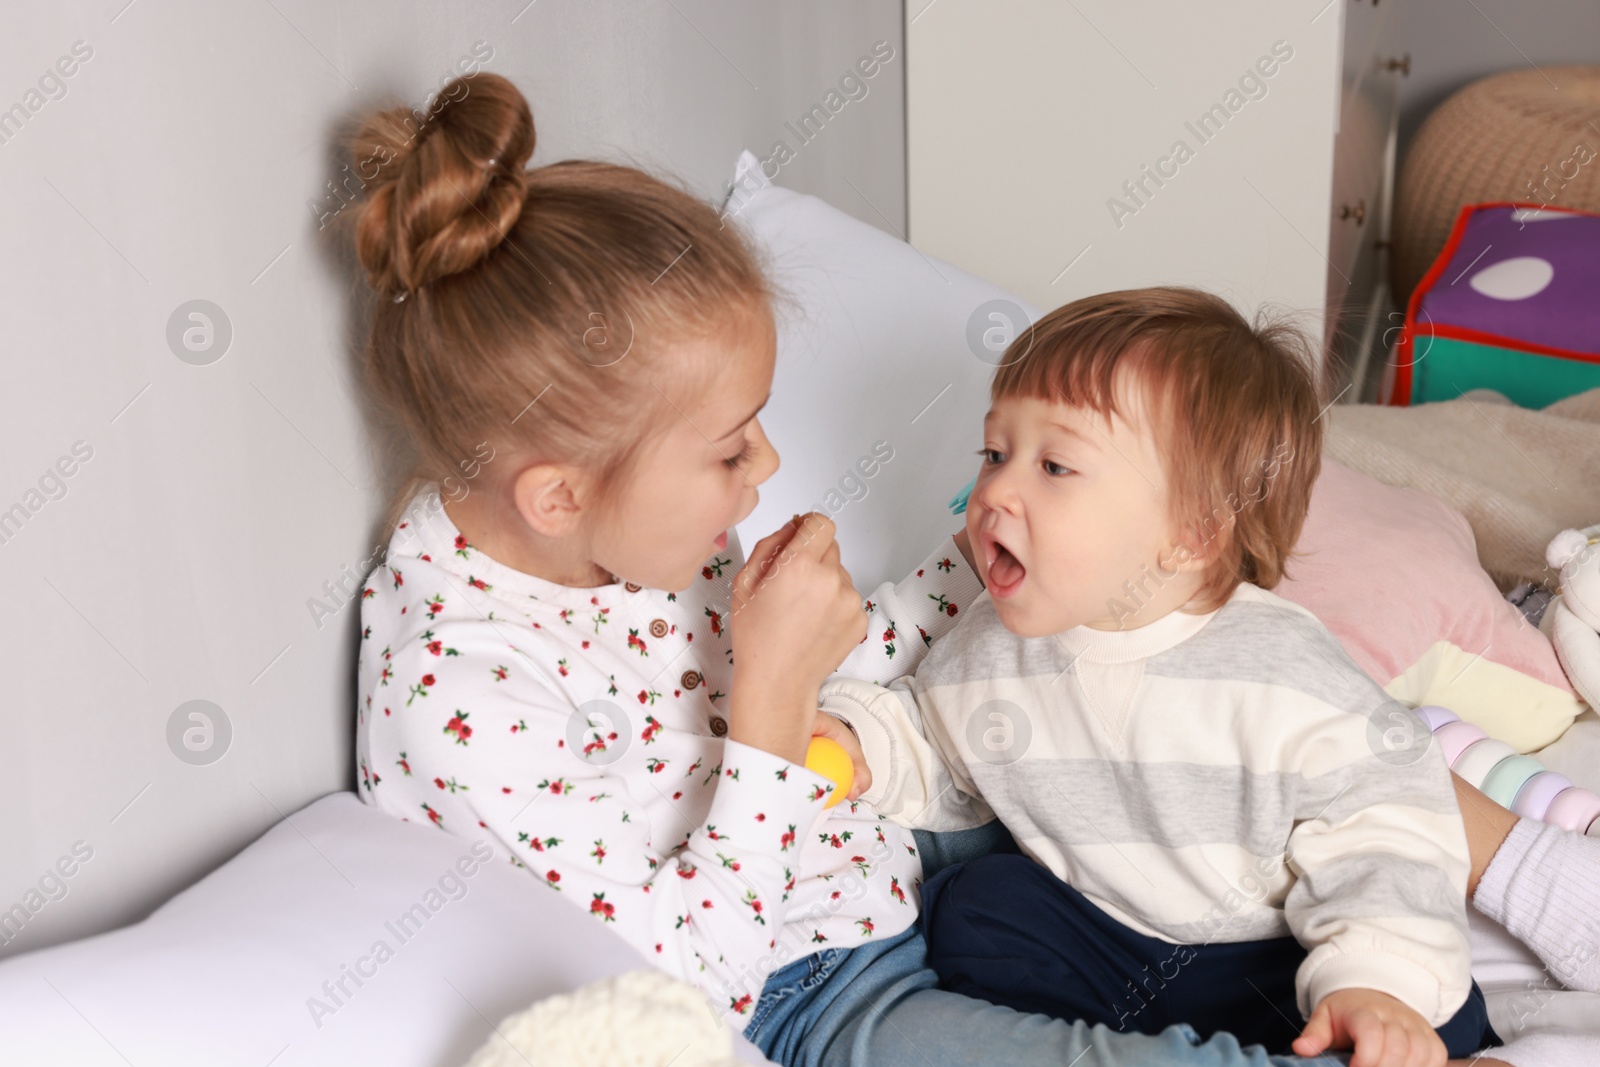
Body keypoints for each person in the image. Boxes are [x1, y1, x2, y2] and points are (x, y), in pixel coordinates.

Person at [340, 71, 1579, 1067]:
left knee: (1211, 792)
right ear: (558, 491)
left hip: (909, 852)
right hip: (806, 987)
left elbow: (907, 701)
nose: (768, 467)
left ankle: (1408, 947)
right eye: (728, 449)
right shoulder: (463, 699)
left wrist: (978, 575)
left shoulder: (618, 533)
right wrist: (780, 714)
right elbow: (682, 971)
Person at [815, 288, 1496, 1067]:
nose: (996, 492)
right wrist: (860, 740)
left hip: (1268, 955)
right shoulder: (993, 645)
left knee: (1421, 1020)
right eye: (995, 454)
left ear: (1191, 532)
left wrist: (1376, 980)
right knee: (974, 909)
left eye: (1055, 465)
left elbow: (1387, 828)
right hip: (1108, 939)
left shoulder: (1280, 670)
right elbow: (934, 737)